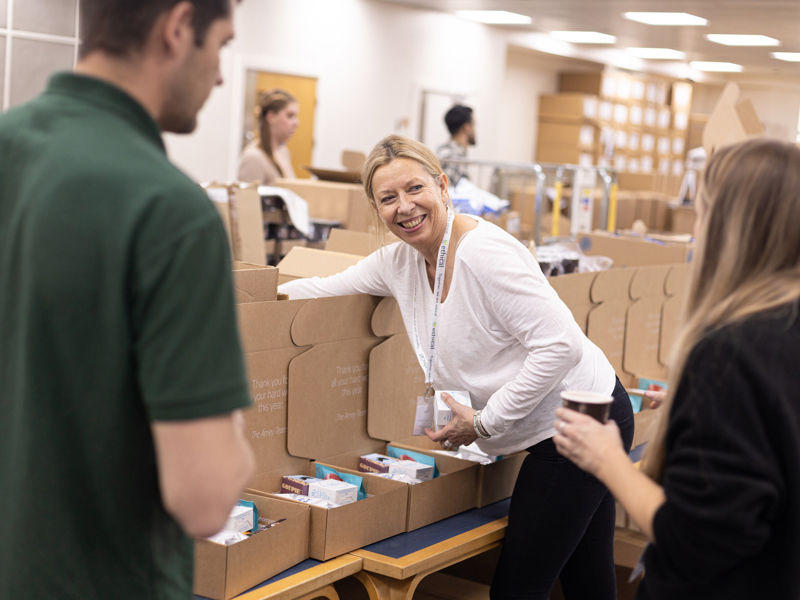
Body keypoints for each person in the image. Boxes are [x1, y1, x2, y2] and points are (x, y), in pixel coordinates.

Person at [279, 134, 634, 599]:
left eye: (414, 189)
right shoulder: (400, 262)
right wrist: (246, 296)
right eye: (388, 198)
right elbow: (326, 287)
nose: (404, 207)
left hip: (579, 420)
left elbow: (560, 346)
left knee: (517, 588)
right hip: (552, 423)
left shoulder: (483, 255)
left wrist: (486, 423)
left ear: (442, 186)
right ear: (376, 207)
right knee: (587, 578)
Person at [0, 1, 256, 599]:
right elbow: (205, 499)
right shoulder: (171, 213)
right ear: (176, 27)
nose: (221, 75)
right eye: (219, 44)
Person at [554, 138, 800, 599]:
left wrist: (607, 460)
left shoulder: (731, 354)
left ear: (732, 228)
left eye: (703, 212)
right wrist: (703, 412)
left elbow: (696, 540)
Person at [237, 89, 299, 184]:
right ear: (271, 117)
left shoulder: (284, 152)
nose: (297, 123)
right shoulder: (254, 158)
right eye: (290, 116)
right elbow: (247, 198)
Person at [436, 104, 475, 186]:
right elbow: (444, 189)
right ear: (467, 127)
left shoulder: (444, 150)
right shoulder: (455, 156)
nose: (475, 130)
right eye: (474, 125)